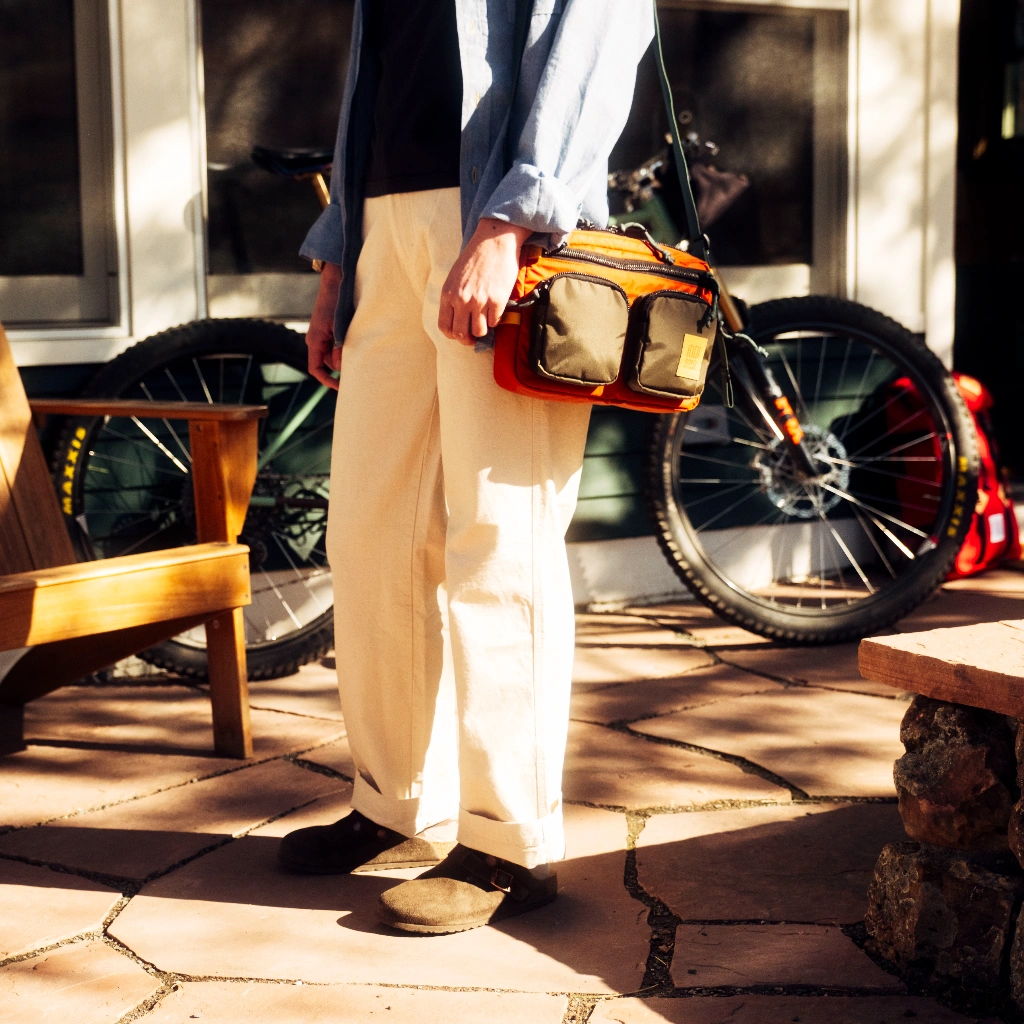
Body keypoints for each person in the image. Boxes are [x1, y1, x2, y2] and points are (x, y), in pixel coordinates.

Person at [278, 0, 655, 935]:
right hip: (383, 230)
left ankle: (508, 842)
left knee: (500, 542)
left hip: (498, 222)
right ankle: (395, 801)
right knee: (370, 533)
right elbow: (378, 76)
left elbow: (594, 36)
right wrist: (339, 260)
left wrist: (511, 218)